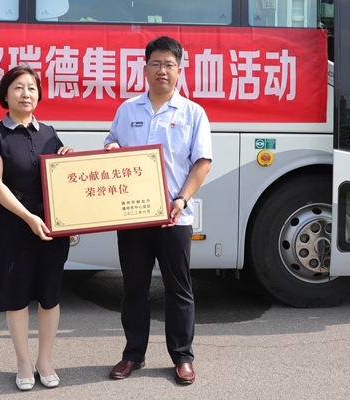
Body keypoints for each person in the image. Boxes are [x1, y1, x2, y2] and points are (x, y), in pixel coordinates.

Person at [104, 36, 212, 385]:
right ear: (145, 68)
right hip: (133, 216)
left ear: (179, 71)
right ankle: (133, 354)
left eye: (169, 64)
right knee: (133, 288)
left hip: (174, 218)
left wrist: (182, 199)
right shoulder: (127, 109)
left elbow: (202, 162)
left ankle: (182, 357)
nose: (162, 70)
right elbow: (111, 142)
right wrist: (111, 148)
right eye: (155, 63)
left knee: (178, 290)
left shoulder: (192, 113)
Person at [0, 64, 73, 391]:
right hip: (15, 225)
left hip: (50, 226)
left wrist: (67, 159)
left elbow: (61, 181)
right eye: (18, 87)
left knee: (49, 296)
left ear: (39, 95)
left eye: (31, 88)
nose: (25, 93)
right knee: (16, 296)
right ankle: (23, 362)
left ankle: (44, 361)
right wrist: (28, 217)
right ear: (5, 95)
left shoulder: (49, 133)